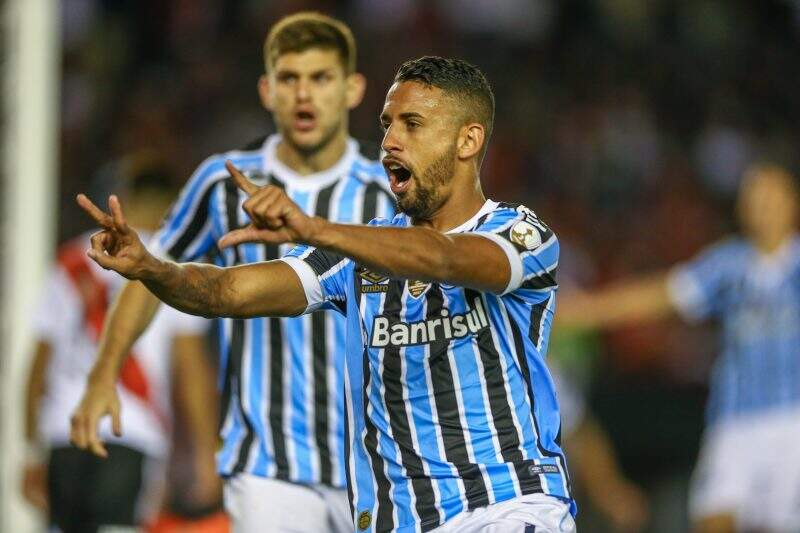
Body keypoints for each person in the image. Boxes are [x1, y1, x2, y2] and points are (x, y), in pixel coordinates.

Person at [75, 56, 576, 533]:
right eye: (386, 124)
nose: (390, 142)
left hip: (506, 505)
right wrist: (150, 268)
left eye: (413, 124)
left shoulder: (521, 234)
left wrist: (313, 228)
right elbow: (227, 291)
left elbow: (445, 258)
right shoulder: (359, 256)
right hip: (395, 519)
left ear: (468, 141)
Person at [69, 12, 394, 533]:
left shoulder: (388, 193)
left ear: (353, 89)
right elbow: (154, 273)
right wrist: (104, 371)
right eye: (289, 79)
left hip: (380, 464)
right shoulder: (223, 184)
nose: (304, 95)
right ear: (267, 90)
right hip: (267, 467)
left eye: (321, 78)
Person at [555, 164, 800, 533]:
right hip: (734, 419)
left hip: (792, 418)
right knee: (712, 519)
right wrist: (588, 311)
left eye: (770, 196)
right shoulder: (728, 264)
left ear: (791, 203)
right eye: (752, 198)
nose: (761, 206)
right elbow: (661, 295)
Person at [22, 161, 220, 533]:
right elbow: (191, 370)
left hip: (65, 430)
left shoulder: (70, 261)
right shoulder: (169, 266)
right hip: (131, 429)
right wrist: (205, 458)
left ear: (124, 199)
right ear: (170, 207)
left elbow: (38, 367)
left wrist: (31, 451)